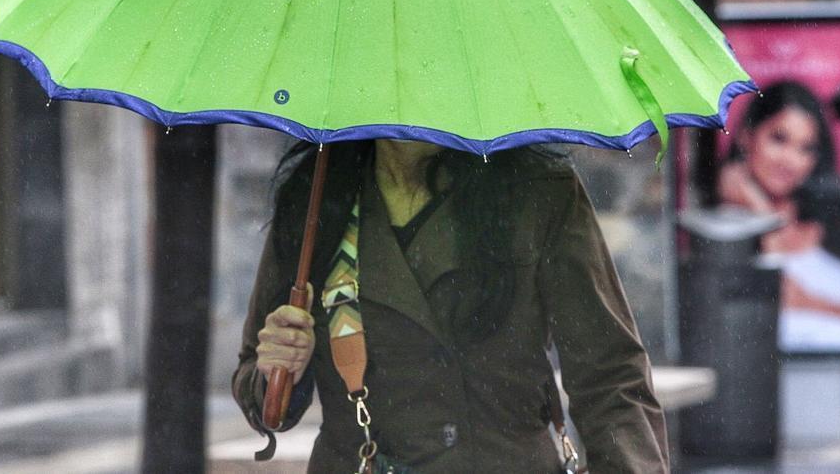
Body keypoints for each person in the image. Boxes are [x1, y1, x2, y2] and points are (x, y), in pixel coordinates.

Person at [232, 139, 669, 472]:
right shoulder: (315, 196)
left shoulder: (538, 190)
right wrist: (280, 368)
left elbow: (610, 376)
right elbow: (259, 377)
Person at [717, 80, 840, 352]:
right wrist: (757, 208)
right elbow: (774, 298)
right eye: (779, 139)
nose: (789, 160)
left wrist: (808, 302)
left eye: (806, 148)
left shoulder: (834, 223)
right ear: (746, 137)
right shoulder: (723, 227)